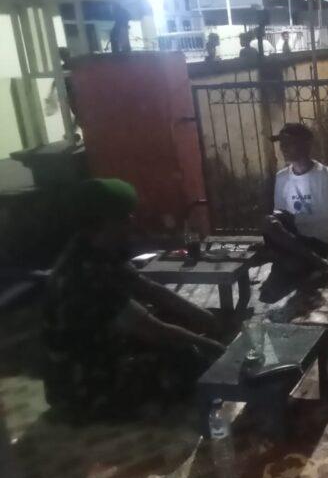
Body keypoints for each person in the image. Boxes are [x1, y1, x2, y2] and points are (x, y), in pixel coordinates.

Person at [43, 179, 225, 422]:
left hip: (102, 351)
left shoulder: (98, 251)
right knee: (185, 356)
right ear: (99, 223)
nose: (131, 222)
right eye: (123, 217)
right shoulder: (85, 273)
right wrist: (210, 345)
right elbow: (152, 329)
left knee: (180, 326)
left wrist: (204, 316)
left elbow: (150, 289)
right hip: (82, 383)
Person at [259, 123, 328, 302]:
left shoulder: (325, 175)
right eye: (282, 144)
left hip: (316, 240)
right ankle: (315, 262)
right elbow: (279, 213)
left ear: (306, 144)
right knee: (268, 222)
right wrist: (283, 225)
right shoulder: (282, 176)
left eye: (289, 143)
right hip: (292, 238)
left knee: (288, 267)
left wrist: (290, 226)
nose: (283, 148)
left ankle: (297, 264)